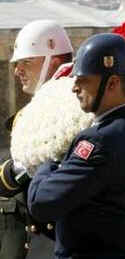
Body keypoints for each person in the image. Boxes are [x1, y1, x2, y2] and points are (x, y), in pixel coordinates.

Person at [24, 33, 125, 259]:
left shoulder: (99, 141)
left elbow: (41, 202)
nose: (74, 88)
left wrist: (48, 159)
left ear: (112, 83)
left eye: (83, 80)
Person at [0, 19, 73, 259]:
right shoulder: (30, 115)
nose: (17, 70)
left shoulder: (76, 109)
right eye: (16, 63)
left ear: (53, 61)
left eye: (26, 62)